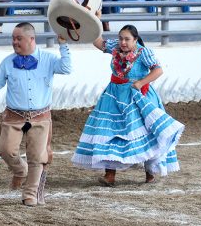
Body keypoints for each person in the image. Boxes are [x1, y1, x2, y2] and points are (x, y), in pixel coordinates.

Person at [72, 20, 183, 186]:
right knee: (110, 132)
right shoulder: (116, 48)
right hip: (113, 96)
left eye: (127, 39)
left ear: (135, 40)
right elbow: (99, 42)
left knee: (145, 133)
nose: (123, 42)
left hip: (137, 96)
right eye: (120, 38)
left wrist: (140, 82)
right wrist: (92, 22)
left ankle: (150, 172)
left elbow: (158, 70)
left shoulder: (144, 52)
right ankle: (110, 175)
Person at [0, 23, 72, 206]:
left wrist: (63, 45)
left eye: (18, 38)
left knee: (37, 156)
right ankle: (21, 170)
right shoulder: (8, 62)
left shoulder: (48, 59)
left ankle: (30, 194)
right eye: (13, 38)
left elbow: (66, 68)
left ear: (31, 39)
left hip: (41, 116)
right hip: (14, 115)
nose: (14, 42)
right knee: (5, 149)